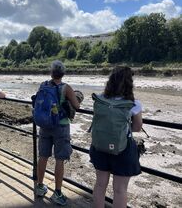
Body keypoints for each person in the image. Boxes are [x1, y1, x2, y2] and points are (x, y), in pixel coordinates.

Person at [90, 66, 142, 208]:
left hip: (100, 146)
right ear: (129, 83)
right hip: (122, 149)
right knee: (120, 190)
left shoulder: (100, 99)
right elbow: (137, 127)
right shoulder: (133, 104)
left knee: (100, 185)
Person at [35, 60, 80, 206]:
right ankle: (58, 193)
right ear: (63, 73)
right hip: (60, 127)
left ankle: (40, 187)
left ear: (51, 72)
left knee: (43, 156)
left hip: (45, 124)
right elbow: (76, 105)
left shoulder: (43, 85)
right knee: (59, 159)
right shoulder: (65, 88)